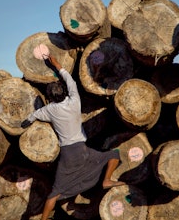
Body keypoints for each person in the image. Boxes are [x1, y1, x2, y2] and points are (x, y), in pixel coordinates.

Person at [21, 54, 125, 220]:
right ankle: (107, 180)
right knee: (114, 155)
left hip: (67, 154)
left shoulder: (50, 110)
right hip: (82, 150)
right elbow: (70, 80)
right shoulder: (74, 101)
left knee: (54, 193)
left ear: (50, 98)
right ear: (63, 93)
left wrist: (26, 122)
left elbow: (34, 114)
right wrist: (55, 62)